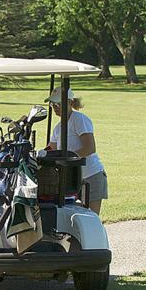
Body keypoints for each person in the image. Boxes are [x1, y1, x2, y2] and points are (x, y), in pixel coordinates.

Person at [45, 87, 107, 215]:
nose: (54, 107)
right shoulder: (58, 128)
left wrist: (68, 159)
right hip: (72, 180)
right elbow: (51, 149)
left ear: (70, 103)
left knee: (91, 218)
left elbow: (89, 147)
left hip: (91, 176)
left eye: (58, 104)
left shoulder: (79, 119)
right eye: (52, 104)